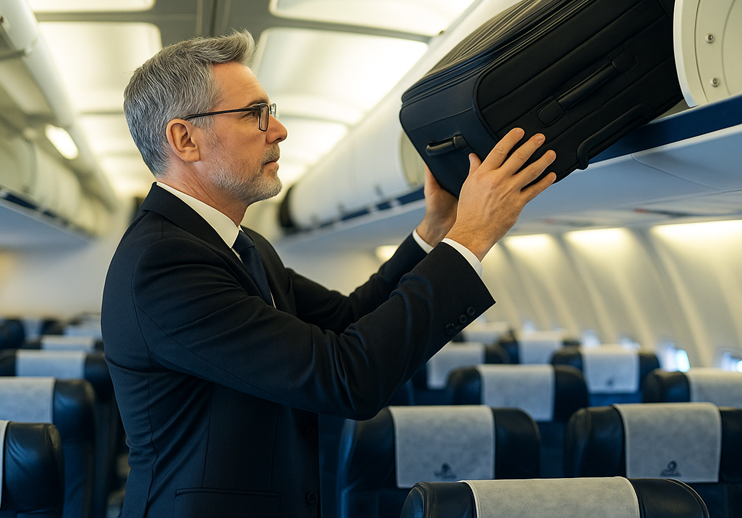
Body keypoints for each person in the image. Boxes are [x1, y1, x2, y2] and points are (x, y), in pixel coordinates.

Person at [101, 30, 556, 518]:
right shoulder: (164, 264)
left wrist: (435, 232)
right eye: (255, 114)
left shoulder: (239, 246)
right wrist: (469, 239)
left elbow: (344, 319)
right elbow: (345, 378)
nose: (278, 130)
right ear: (184, 139)